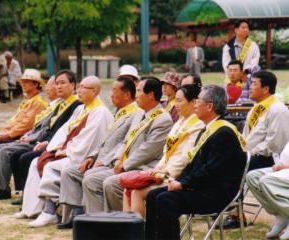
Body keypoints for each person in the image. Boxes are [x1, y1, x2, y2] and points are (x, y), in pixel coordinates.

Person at [145, 85, 247, 240]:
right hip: (203, 186)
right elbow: (194, 165)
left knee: (165, 200)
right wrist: (178, 181)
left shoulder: (224, 133)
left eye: (198, 101)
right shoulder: (208, 129)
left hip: (217, 192)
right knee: (153, 195)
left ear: (209, 106)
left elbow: (211, 170)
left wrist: (183, 184)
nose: (195, 104)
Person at [42, 76, 142, 229]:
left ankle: (96, 221)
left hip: (112, 162)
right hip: (99, 159)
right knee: (70, 172)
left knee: (89, 176)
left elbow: (125, 143)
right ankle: (76, 213)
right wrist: (91, 156)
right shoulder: (120, 112)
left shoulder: (134, 114)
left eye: (114, 91)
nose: (110, 94)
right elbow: (105, 140)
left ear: (127, 94)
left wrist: (108, 160)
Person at [13, 76, 113, 227]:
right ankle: (32, 209)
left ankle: (50, 212)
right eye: (79, 87)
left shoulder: (100, 112)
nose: (79, 90)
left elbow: (90, 139)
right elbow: (65, 131)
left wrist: (68, 151)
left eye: (83, 87)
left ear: (94, 91)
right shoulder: (81, 109)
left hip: (83, 156)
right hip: (71, 150)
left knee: (51, 166)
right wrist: (56, 146)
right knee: (36, 162)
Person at [82, 77, 173, 214]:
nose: (135, 94)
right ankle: (99, 223)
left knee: (111, 183)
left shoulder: (163, 119)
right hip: (126, 164)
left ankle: (125, 225)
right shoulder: (138, 114)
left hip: (144, 168)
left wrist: (124, 165)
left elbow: (147, 150)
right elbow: (125, 141)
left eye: (139, 90)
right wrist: (117, 159)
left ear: (151, 95)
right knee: (90, 179)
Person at [0, 72, 81, 200]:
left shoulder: (71, 105)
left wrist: (34, 139)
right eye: (56, 84)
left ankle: (12, 191)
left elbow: (43, 127)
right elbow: (24, 122)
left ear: (73, 85)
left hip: (49, 143)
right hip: (37, 138)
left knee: (8, 152)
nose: (53, 87)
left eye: (61, 83)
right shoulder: (57, 104)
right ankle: (1, 186)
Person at [123, 84, 204, 218]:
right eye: (175, 101)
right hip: (164, 171)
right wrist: (158, 168)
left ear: (193, 102)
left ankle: (140, 233)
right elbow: (166, 152)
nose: (176, 104)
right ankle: (129, 232)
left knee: (137, 192)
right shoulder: (179, 122)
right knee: (128, 188)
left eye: (179, 101)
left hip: (177, 176)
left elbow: (185, 158)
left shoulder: (198, 125)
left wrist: (164, 171)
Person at [222, 70, 289, 229]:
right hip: (253, 153)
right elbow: (248, 137)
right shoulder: (256, 108)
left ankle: (235, 215)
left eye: (253, 84)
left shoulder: (277, 109)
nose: (249, 87)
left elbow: (276, 144)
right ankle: (226, 207)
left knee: (234, 166)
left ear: (265, 89)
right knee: (224, 160)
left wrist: (249, 153)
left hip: (271, 158)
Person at [247, 141, 289, 240]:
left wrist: (283, 167)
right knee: (252, 177)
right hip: (282, 168)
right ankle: (281, 215)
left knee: (266, 181)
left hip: (285, 169)